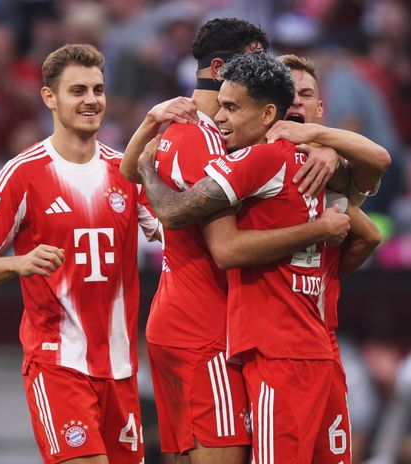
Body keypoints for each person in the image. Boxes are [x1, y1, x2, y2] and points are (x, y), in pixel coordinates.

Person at [136, 52, 382, 464]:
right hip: (320, 347)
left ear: (272, 112)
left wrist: (146, 167)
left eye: (231, 107)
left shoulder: (259, 159)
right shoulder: (320, 168)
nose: (219, 117)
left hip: (275, 352)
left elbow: (198, 229)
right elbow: (370, 227)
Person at [0, 44, 159, 463]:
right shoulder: (23, 173)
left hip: (121, 368)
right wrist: (19, 262)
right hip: (59, 362)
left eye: (98, 90)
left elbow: (174, 236)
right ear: (49, 98)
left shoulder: (127, 172)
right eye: (78, 90)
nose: (91, 100)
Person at [276, 54, 388, 464]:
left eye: (306, 95)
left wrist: (322, 143)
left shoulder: (329, 163)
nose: (297, 103)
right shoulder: (247, 158)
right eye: (288, 94)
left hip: (317, 337)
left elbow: (378, 163)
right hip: (263, 341)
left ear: (320, 108)